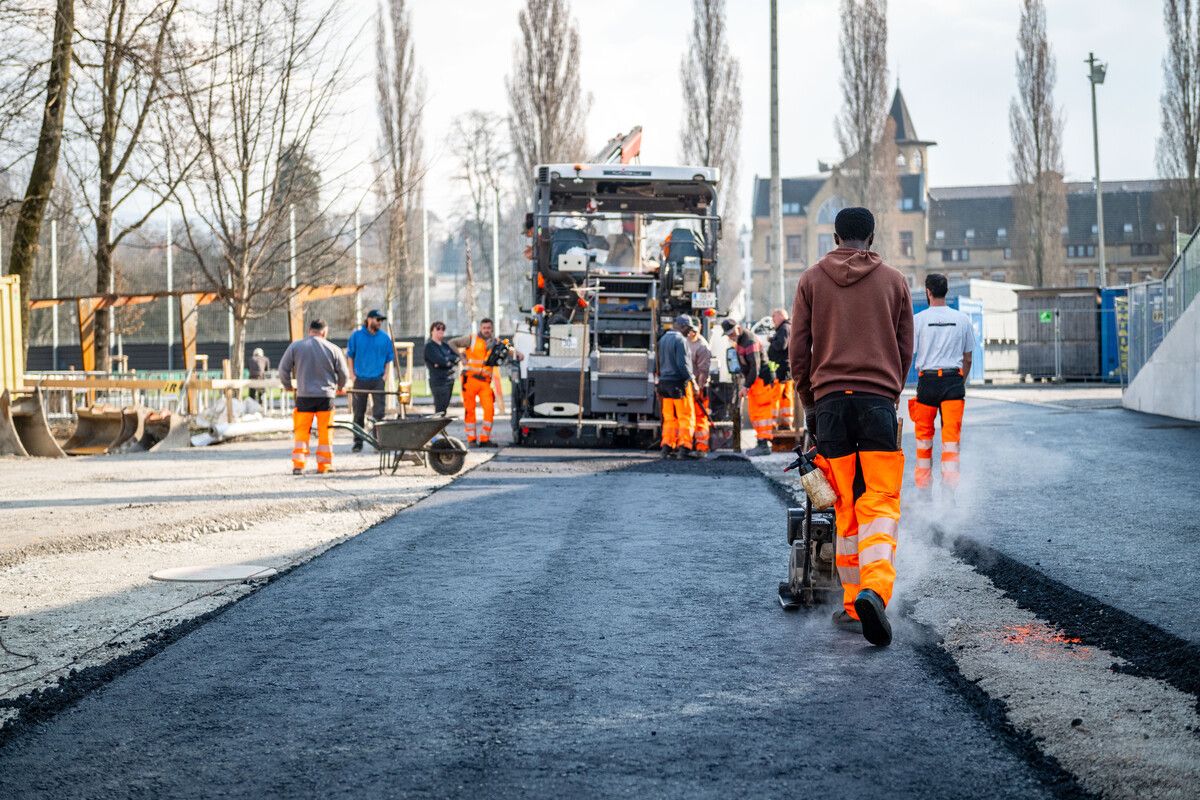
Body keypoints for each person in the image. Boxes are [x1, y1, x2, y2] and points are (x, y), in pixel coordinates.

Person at [789, 206, 913, 647]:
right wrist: (889, 393)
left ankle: (847, 603)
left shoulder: (810, 280)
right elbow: (904, 348)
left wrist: (810, 404)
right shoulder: (895, 281)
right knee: (878, 500)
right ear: (872, 237)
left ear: (836, 235)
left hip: (829, 405)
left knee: (843, 503)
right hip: (877, 401)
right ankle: (874, 591)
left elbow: (798, 353)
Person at [910, 273, 976, 498]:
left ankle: (924, 491)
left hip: (927, 383)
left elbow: (909, 353)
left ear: (928, 292)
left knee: (924, 439)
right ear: (946, 292)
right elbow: (968, 358)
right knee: (950, 441)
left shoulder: (918, 320)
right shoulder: (962, 319)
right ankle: (949, 490)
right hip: (953, 383)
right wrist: (960, 381)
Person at [278, 319, 349, 475]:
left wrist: (288, 385)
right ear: (324, 332)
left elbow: (283, 369)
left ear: (309, 331)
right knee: (325, 432)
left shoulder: (296, 347)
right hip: (326, 397)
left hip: (304, 396)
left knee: (301, 431)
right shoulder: (333, 348)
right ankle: (324, 466)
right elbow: (344, 373)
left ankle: (299, 465)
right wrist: (340, 387)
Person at [721, 318, 775, 456]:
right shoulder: (740, 341)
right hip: (755, 381)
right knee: (755, 412)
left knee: (762, 413)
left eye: (731, 334)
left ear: (738, 328)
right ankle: (761, 442)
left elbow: (755, 367)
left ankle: (764, 444)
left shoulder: (749, 340)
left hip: (761, 380)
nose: (730, 337)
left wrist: (746, 385)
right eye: (728, 335)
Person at [346, 309, 395, 453]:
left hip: (378, 379)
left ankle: (378, 442)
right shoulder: (356, 336)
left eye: (381, 320)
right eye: (377, 319)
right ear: (369, 320)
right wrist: (352, 375)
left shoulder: (385, 338)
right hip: (360, 379)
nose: (379, 322)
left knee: (379, 413)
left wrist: (385, 376)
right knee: (358, 412)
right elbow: (350, 356)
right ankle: (358, 442)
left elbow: (388, 359)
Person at [450, 318, 502, 448]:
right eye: (484, 328)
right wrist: (461, 357)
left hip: (485, 383)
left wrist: (517, 354)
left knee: (489, 409)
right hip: (470, 380)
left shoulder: (496, 342)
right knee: (470, 410)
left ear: (492, 329)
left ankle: (485, 439)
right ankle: (471, 439)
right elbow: (451, 343)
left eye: (488, 328)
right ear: (480, 328)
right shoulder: (471, 339)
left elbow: (508, 346)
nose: (486, 330)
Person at [657, 314, 699, 459]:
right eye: (688, 329)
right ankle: (684, 448)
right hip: (679, 384)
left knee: (668, 417)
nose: (690, 332)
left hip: (664, 384)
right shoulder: (681, 340)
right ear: (683, 326)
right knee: (685, 416)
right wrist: (692, 381)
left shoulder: (663, 339)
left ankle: (666, 446)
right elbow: (683, 365)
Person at [686, 325, 713, 455]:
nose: (692, 334)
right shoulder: (686, 342)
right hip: (689, 387)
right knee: (688, 417)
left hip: (699, 387)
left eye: (694, 331)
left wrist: (699, 388)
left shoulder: (702, 347)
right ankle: (688, 445)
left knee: (700, 418)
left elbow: (704, 371)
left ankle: (701, 447)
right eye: (690, 331)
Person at [423, 321, 459, 415]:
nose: (441, 331)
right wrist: (446, 361)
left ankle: (442, 428)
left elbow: (455, 358)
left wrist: (447, 361)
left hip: (449, 380)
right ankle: (439, 428)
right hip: (438, 381)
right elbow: (440, 360)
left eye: (443, 329)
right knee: (440, 408)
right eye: (438, 328)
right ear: (432, 331)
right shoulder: (430, 346)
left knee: (445, 407)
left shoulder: (445, 346)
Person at [768, 309, 794, 430]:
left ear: (780, 316)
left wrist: (772, 340)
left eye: (774, 317)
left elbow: (781, 345)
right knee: (786, 396)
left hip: (782, 368)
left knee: (777, 395)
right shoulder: (788, 327)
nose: (773, 320)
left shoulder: (784, 328)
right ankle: (786, 422)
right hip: (786, 368)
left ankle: (774, 423)